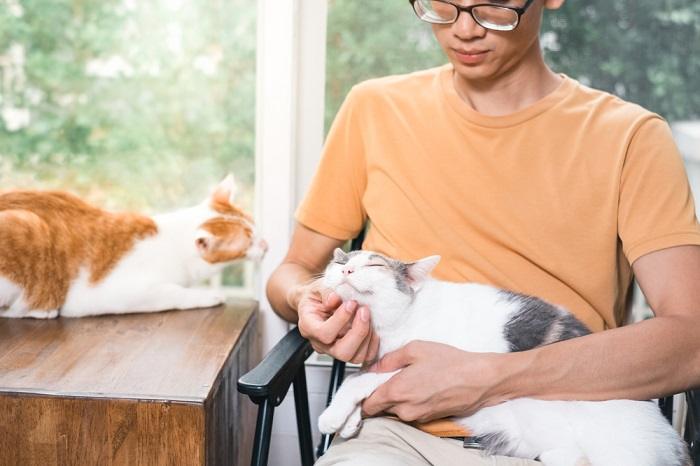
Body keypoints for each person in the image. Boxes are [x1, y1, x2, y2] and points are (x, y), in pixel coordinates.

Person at [266, 0, 700, 464]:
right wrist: (305, 303)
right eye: (441, 6)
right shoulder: (374, 109)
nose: (464, 31)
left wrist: (490, 376)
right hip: (398, 437)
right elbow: (292, 271)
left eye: (492, 8)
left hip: (572, 432)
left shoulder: (630, 137)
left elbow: (691, 338)